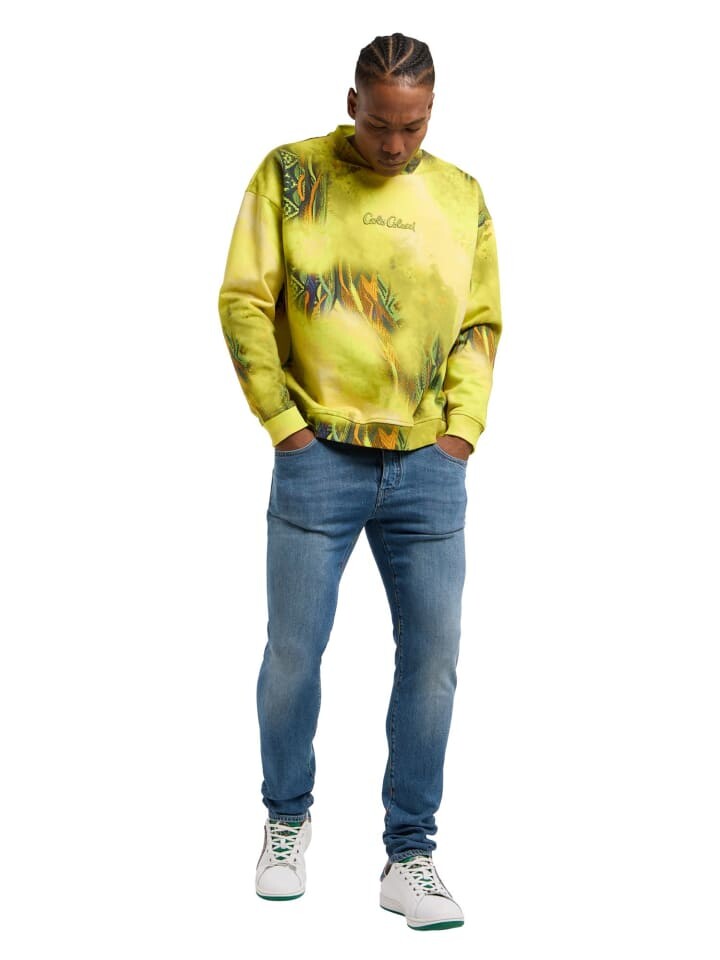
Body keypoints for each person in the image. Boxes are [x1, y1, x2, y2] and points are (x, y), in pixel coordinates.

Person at [217, 31, 502, 931]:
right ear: (353, 105)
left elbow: (480, 323)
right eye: (381, 124)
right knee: (293, 655)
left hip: (428, 467)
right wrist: (285, 427)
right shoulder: (290, 174)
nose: (395, 144)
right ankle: (286, 821)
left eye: (413, 126)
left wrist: (460, 434)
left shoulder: (460, 196)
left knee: (433, 663)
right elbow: (244, 300)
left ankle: (409, 855)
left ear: (431, 114)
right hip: (319, 460)